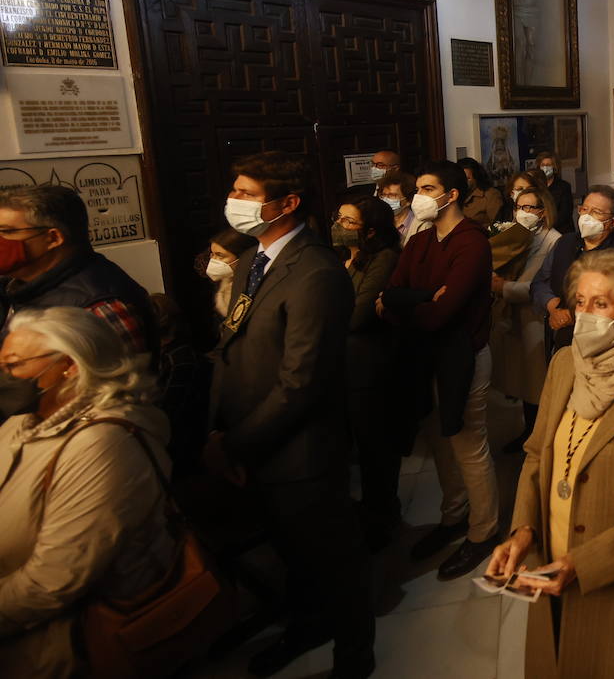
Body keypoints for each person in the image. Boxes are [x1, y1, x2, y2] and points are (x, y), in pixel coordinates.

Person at [485, 250, 614, 678]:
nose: (585, 315)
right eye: (580, 302)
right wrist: (524, 530)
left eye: (601, 304)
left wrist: (582, 564)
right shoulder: (564, 365)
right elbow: (538, 452)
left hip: (613, 587)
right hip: (548, 564)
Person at [208, 151, 373, 677]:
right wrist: (221, 427)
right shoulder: (251, 261)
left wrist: (238, 443)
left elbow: (300, 381)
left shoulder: (316, 270)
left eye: (246, 195)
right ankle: (304, 627)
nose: (234, 202)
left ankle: (354, 654)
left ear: (288, 203)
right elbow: (232, 344)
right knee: (291, 556)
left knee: (332, 559)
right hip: (256, 438)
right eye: (235, 192)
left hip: (301, 449)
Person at [0, 307, 175, 678]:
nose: (5, 378)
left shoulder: (104, 444)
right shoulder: (20, 424)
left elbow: (53, 581)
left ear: (69, 366)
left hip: (68, 644)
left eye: (13, 366)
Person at [381, 160, 501, 582]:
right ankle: (454, 515)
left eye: (428, 188)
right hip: (424, 354)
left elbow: (442, 315)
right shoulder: (420, 240)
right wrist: (422, 299)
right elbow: (389, 296)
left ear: (450, 196)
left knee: (468, 442)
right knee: (437, 440)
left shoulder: (472, 242)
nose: (419, 196)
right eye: (419, 187)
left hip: (463, 355)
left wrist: (411, 304)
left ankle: (483, 529)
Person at [0, 185, 157, 419]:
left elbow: (116, 401)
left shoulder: (99, 306)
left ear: (53, 238)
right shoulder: (18, 287)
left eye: (6, 231)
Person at [334, 196, 404, 551]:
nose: (340, 226)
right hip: (348, 364)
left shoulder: (385, 258)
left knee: (376, 446)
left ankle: (384, 517)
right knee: (359, 444)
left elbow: (356, 316)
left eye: (349, 222)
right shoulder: (353, 257)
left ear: (371, 230)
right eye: (340, 218)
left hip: (372, 366)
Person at [491, 183, 563, 453]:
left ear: (543, 212)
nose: (522, 212)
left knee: (536, 383)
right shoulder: (516, 236)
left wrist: (503, 287)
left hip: (535, 318)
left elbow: (542, 284)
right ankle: (527, 432)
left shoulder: (554, 240)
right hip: (513, 316)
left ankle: (539, 438)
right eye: (519, 207)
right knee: (522, 381)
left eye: (529, 207)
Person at [532, 186, 614, 355]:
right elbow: (540, 282)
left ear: (613, 222)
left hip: (602, 346)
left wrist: (571, 315)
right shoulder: (564, 242)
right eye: (584, 209)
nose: (586, 216)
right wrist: (552, 307)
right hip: (560, 341)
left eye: (596, 212)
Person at [204, 227, 257, 321]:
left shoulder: (253, 286)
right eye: (212, 254)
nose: (213, 260)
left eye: (220, 255)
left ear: (243, 256)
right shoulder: (224, 283)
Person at [378, 170, 428, 246]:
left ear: (409, 200)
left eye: (392, 195)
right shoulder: (379, 222)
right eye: (383, 195)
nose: (385, 199)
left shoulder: (423, 226)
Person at [457, 157, 504, 230]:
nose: (463, 182)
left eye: (468, 178)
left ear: (476, 177)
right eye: (461, 179)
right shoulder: (455, 195)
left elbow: (498, 226)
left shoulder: (491, 194)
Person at [537, 152, 576, 234]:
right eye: (543, 165)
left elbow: (565, 213)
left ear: (554, 167)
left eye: (548, 165)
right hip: (541, 232)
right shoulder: (536, 187)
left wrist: (547, 225)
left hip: (561, 231)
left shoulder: (564, 187)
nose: (545, 168)